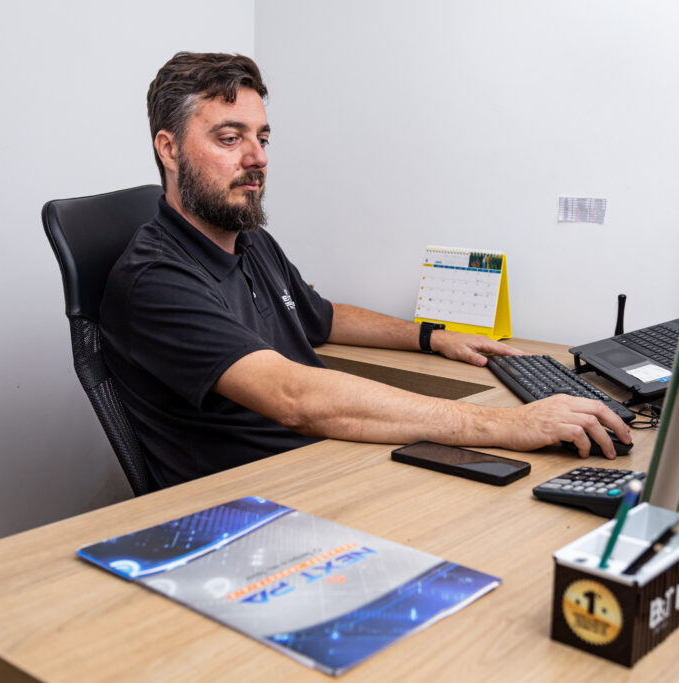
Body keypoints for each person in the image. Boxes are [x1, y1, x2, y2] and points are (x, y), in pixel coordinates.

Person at [100, 52, 630, 488]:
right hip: (258, 500)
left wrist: (432, 337)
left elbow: (322, 317)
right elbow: (294, 398)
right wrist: (507, 424)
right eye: (229, 138)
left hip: (326, 465)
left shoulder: (249, 240)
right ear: (169, 150)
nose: (257, 158)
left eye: (263, 138)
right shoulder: (154, 279)